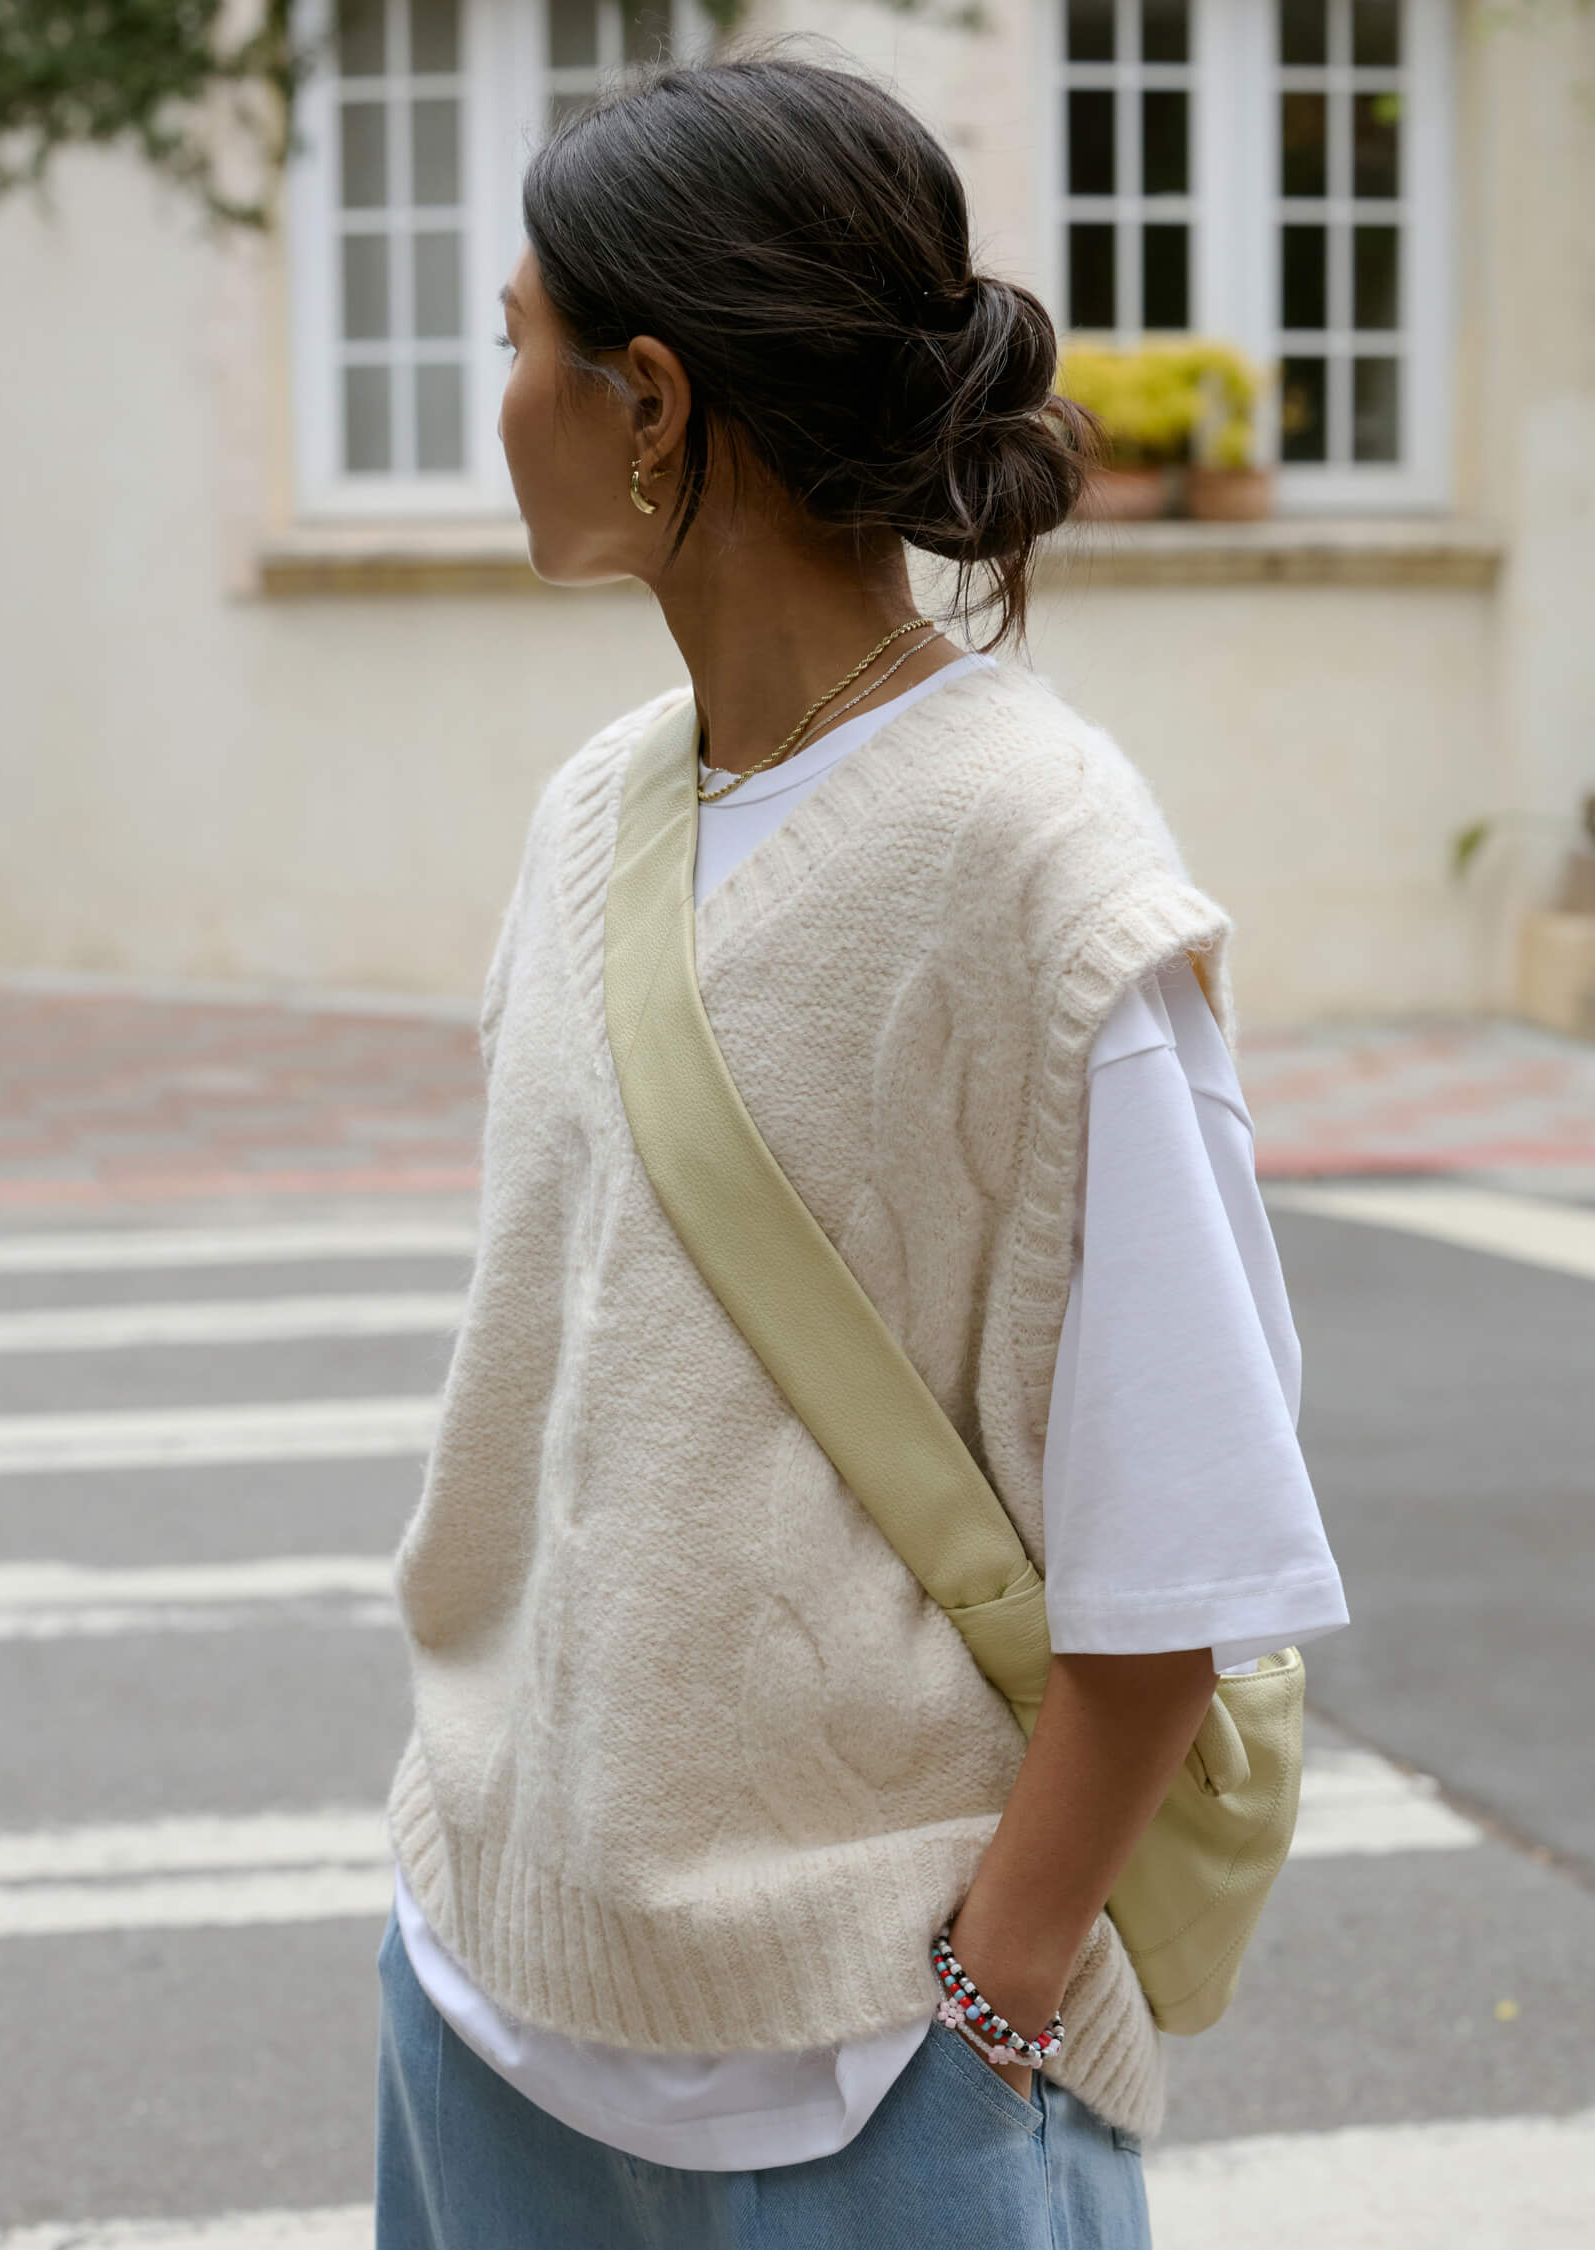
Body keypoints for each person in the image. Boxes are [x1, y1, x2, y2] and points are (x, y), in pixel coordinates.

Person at [372, 51, 1347, 2250]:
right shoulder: (596, 809)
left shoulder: (1037, 859)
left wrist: (992, 2000)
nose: (493, 401)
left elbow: (1181, 1540)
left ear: (650, 399)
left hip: (858, 2083)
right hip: (483, 2009)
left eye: (516, 341)